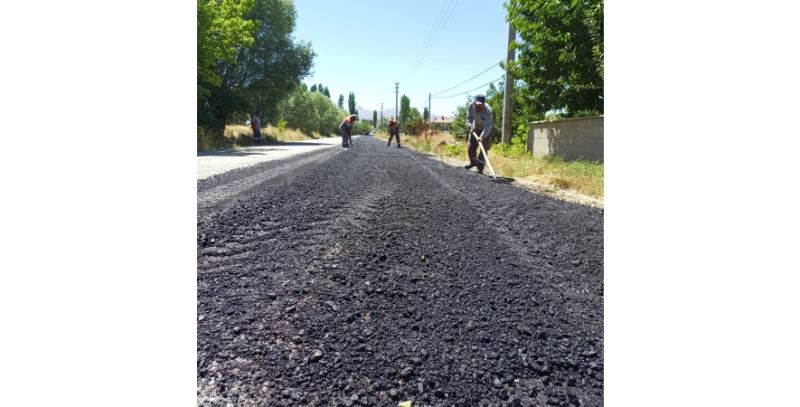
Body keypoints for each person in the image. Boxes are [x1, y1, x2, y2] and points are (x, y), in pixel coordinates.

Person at [464, 94, 493, 174]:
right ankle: (473, 163)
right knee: (471, 147)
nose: (478, 107)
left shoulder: (488, 110)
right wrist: (470, 126)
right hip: (475, 128)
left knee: (483, 148)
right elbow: (468, 118)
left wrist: (481, 137)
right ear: (474, 103)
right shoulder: (471, 106)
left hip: (486, 130)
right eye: (476, 105)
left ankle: (480, 169)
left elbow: (487, 127)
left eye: (480, 105)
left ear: (484, 104)